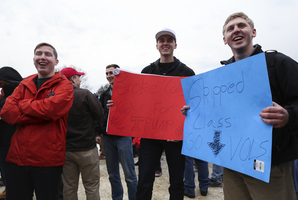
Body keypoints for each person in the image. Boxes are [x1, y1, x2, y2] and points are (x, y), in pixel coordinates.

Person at [182, 12, 298, 200]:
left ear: (253, 32)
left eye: (241, 26)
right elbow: (214, 114)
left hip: (270, 165)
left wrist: (289, 116)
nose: (236, 30)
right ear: (225, 39)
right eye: (230, 28)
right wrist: (194, 112)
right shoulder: (221, 76)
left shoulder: (277, 63)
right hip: (233, 163)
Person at [0, 42, 74, 200]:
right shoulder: (24, 84)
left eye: (48, 54)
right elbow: (6, 112)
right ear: (33, 59)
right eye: (39, 53)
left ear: (56, 61)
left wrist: (22, 105)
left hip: (47, 161)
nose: (43, 57)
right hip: (17, 158)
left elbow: (50, 110)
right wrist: (40, 115)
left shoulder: (65, 86)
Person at [136, 28, 195, 200]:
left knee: (177, 181)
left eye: (169, 40)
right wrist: (117, 104)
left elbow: (195, 104)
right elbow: (139, 101)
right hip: (150, 134)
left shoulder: (187, 72)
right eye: (162, 40)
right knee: (145, 180)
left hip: (175, 137)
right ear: (157, 46)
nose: (165, 43)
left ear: (175, 45)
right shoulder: (147, 70)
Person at [60, 67, 103, 200]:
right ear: (73, 79)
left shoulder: (57, 96)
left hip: (66, 149)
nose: (80, 79)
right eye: (78, 77)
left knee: (69, 187)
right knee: (91, 186)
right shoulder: (84, 94)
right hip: (86, 149)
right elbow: (99, 114)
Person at [99, 64, 138, 200]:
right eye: (107, 73)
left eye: (112, 73)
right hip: (108, 138)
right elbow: (100, 115)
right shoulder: (104, 95)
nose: (109, 76)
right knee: (112, 174)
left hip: (123, 136)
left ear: (118, 73)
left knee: (130, 174)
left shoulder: (129, 92)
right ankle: (117, 198)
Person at [0, 67, 23, 199]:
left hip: (11, 142)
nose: (0, 84)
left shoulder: (18, 96)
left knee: (13, 176)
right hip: (3, 142)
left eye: (1, 81)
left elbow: (12, 117)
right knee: (7, 175)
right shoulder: (4, 97)